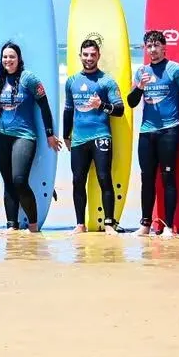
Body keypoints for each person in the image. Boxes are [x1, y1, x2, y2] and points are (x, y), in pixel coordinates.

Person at [127, 30, 179, 236]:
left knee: (169, 177)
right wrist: (139, 87)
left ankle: (169, 226)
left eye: (156, 46)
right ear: (145, 49)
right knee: (147, 178)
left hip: (169, 130)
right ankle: (145, 224)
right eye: (149, 46)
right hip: (146, 132)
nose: (153, 50)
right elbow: (131, 102)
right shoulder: (141, 72)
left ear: (164, 47)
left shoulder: (176, 70)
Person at [0, 42, 61, 232]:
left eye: (12, 57)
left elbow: (44, 107)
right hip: (1, 136)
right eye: (5, 57)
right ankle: (12, 225)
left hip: (25, 136)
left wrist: (50, 135)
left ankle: (33, 225)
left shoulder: (29, 79)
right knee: (8, 182)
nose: (8, 60)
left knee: (19, 180)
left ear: (19, 59)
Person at [63, 38, 125, 234]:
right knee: (78, 180)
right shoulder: (71, 81)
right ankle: (80, 224)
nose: (89, 58)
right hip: (79, 138)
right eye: (86, 54)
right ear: (80, 56)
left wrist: (102, 106)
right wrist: (66, 135)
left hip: (101, 135)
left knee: (104, 178)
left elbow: (120, 110)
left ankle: (109, 223)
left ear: (98, 56)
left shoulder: (106, 81)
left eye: (93, 55)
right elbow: (68, 110)